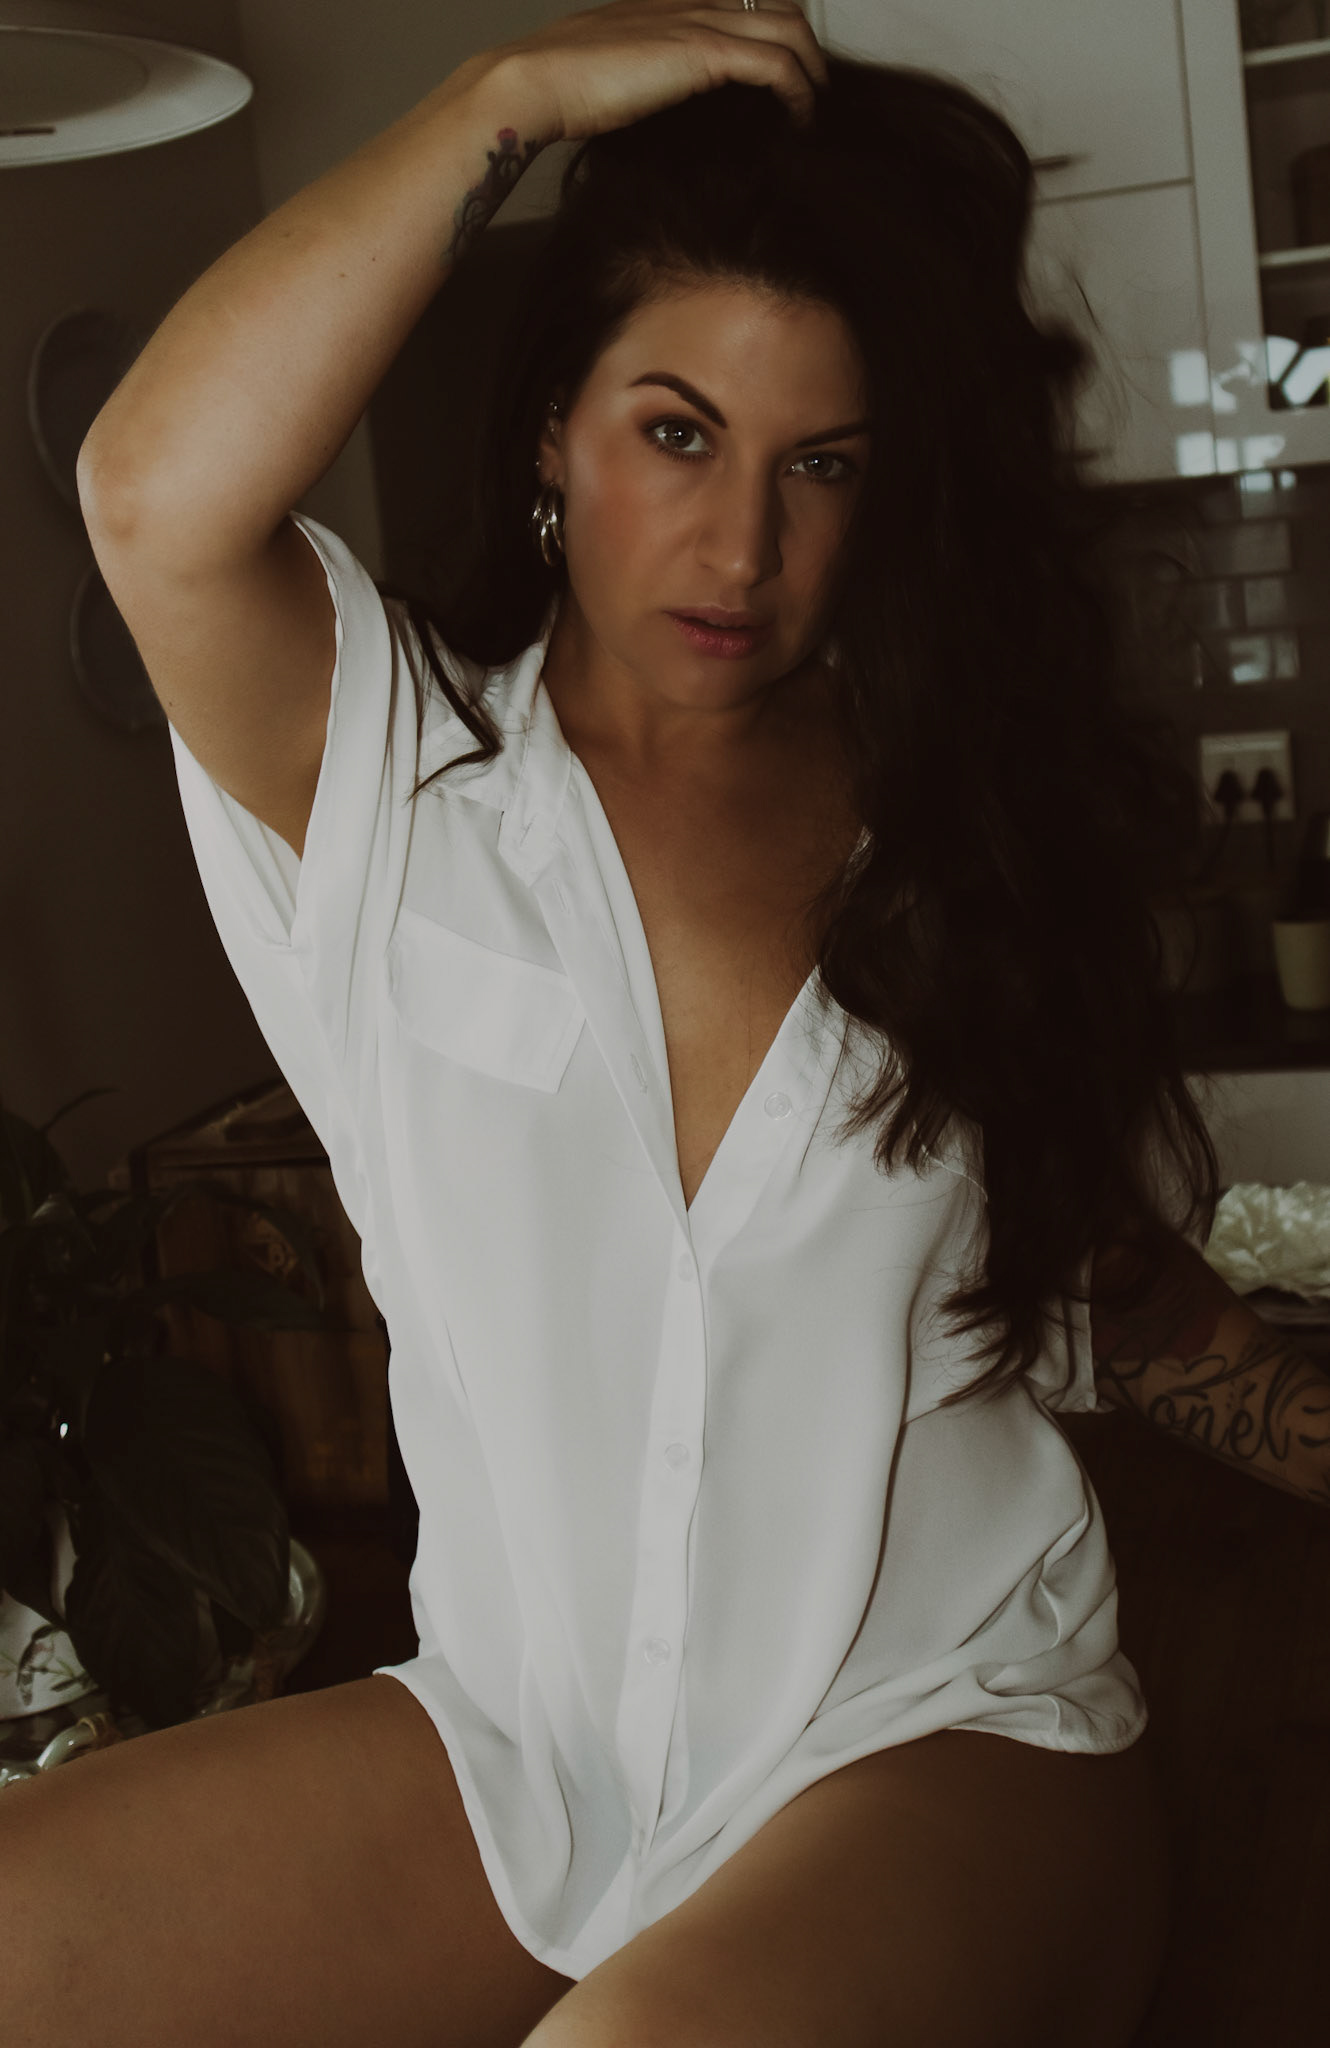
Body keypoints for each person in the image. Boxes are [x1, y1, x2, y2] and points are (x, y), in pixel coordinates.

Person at [9, 2, 1273, 2042]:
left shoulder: (961, 849)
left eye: (819, 465)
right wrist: (501, 98)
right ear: (551, 431)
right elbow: (150, 494)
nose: (741, 546)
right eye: (674, 432)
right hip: (527, 1752)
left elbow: (1118, 1290)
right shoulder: (390, 775)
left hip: (935, 1735)